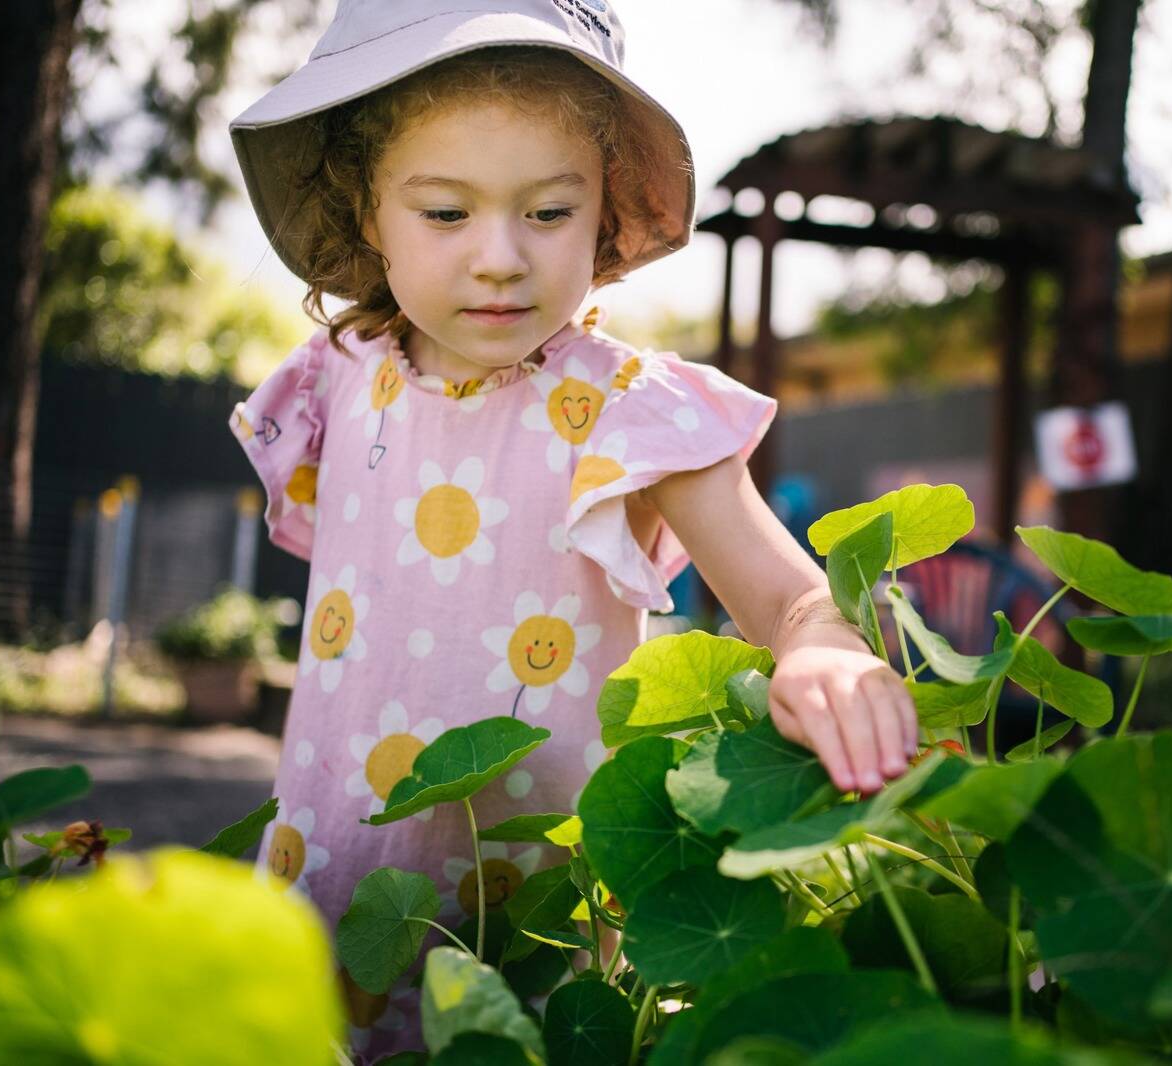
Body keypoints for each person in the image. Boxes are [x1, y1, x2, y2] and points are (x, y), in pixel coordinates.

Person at [225, 2, 919, 1059]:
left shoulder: (632, 409)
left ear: (605, 214)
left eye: (548, 211)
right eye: (445, 213)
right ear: (368, 213)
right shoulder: (332, 381)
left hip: (541, 936)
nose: (500, 257)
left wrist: (822, 648)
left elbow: (790, 598)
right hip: (331, 892)